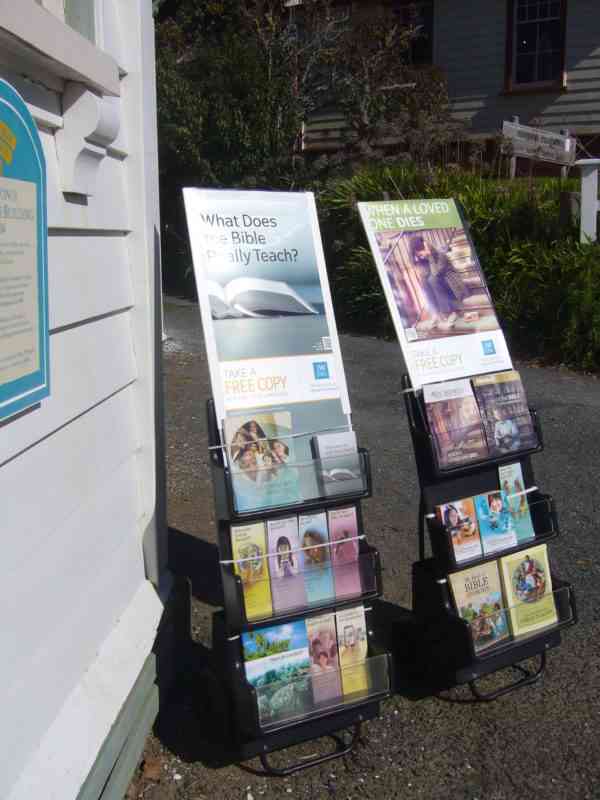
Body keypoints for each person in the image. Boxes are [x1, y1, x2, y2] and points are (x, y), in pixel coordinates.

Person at [408, 233, 468, 333]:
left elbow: (436, 274)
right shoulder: (424, 260)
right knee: (424, 282)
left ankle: (451, 312)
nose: (420, 254)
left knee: (432, 279)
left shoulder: (440, 254)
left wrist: (430, 256)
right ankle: (435, 313)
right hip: (439, 282)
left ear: (426, 246)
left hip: (451, 281)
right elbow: (425, 274)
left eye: (420, 251)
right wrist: (417, 259)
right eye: (417, 253)